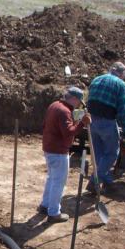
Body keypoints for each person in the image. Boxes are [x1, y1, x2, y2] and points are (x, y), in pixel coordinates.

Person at [39, 87, 92, 223]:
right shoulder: (64, 111)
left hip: (49, 147)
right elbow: (69, 132)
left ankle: (45, 205)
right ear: (74, 99)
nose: (79, 105)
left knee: (52, 178)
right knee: (59, 182)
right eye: (79, 102)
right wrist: (82, 123)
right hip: (58, 151)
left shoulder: (55, 105)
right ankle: (54, 213)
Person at [86, 62, 125, 194]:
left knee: (99, 154)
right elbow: (123, 109)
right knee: (112, 153)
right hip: (107, 121)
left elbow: (89, 99)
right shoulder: (121, 85)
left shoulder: (97, 79)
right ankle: (95, 181)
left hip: (92, 120)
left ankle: (108, 182)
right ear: (122, 74)